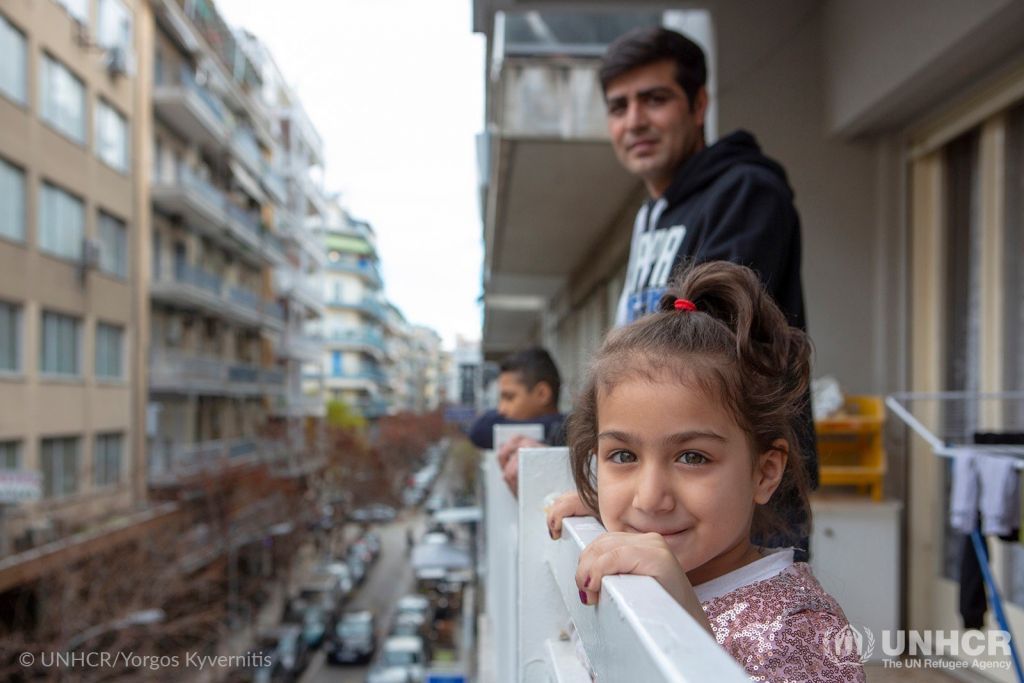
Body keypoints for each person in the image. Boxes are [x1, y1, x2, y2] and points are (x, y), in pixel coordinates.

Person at [545, 262, 863, 680]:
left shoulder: (801, 630)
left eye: (692, 457)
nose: (649, 498)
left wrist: (687, 627)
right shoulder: (628, 562)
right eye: (623, 456)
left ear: (765, 473)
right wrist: (599, 510)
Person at [600, 26, 818, 555]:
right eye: (619, 106)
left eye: (655, 99)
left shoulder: (746, 191)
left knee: (742, 640)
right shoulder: (651, 215)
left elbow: (702, 349)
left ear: (698, 105)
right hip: (665, 491)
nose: (635, 121)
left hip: (742, 503)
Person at [467, 347, 566, 495]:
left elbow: (480, 430)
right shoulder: (566, 427)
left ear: (542, 394)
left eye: (509, 397)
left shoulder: (573, 433)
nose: (501, 409)